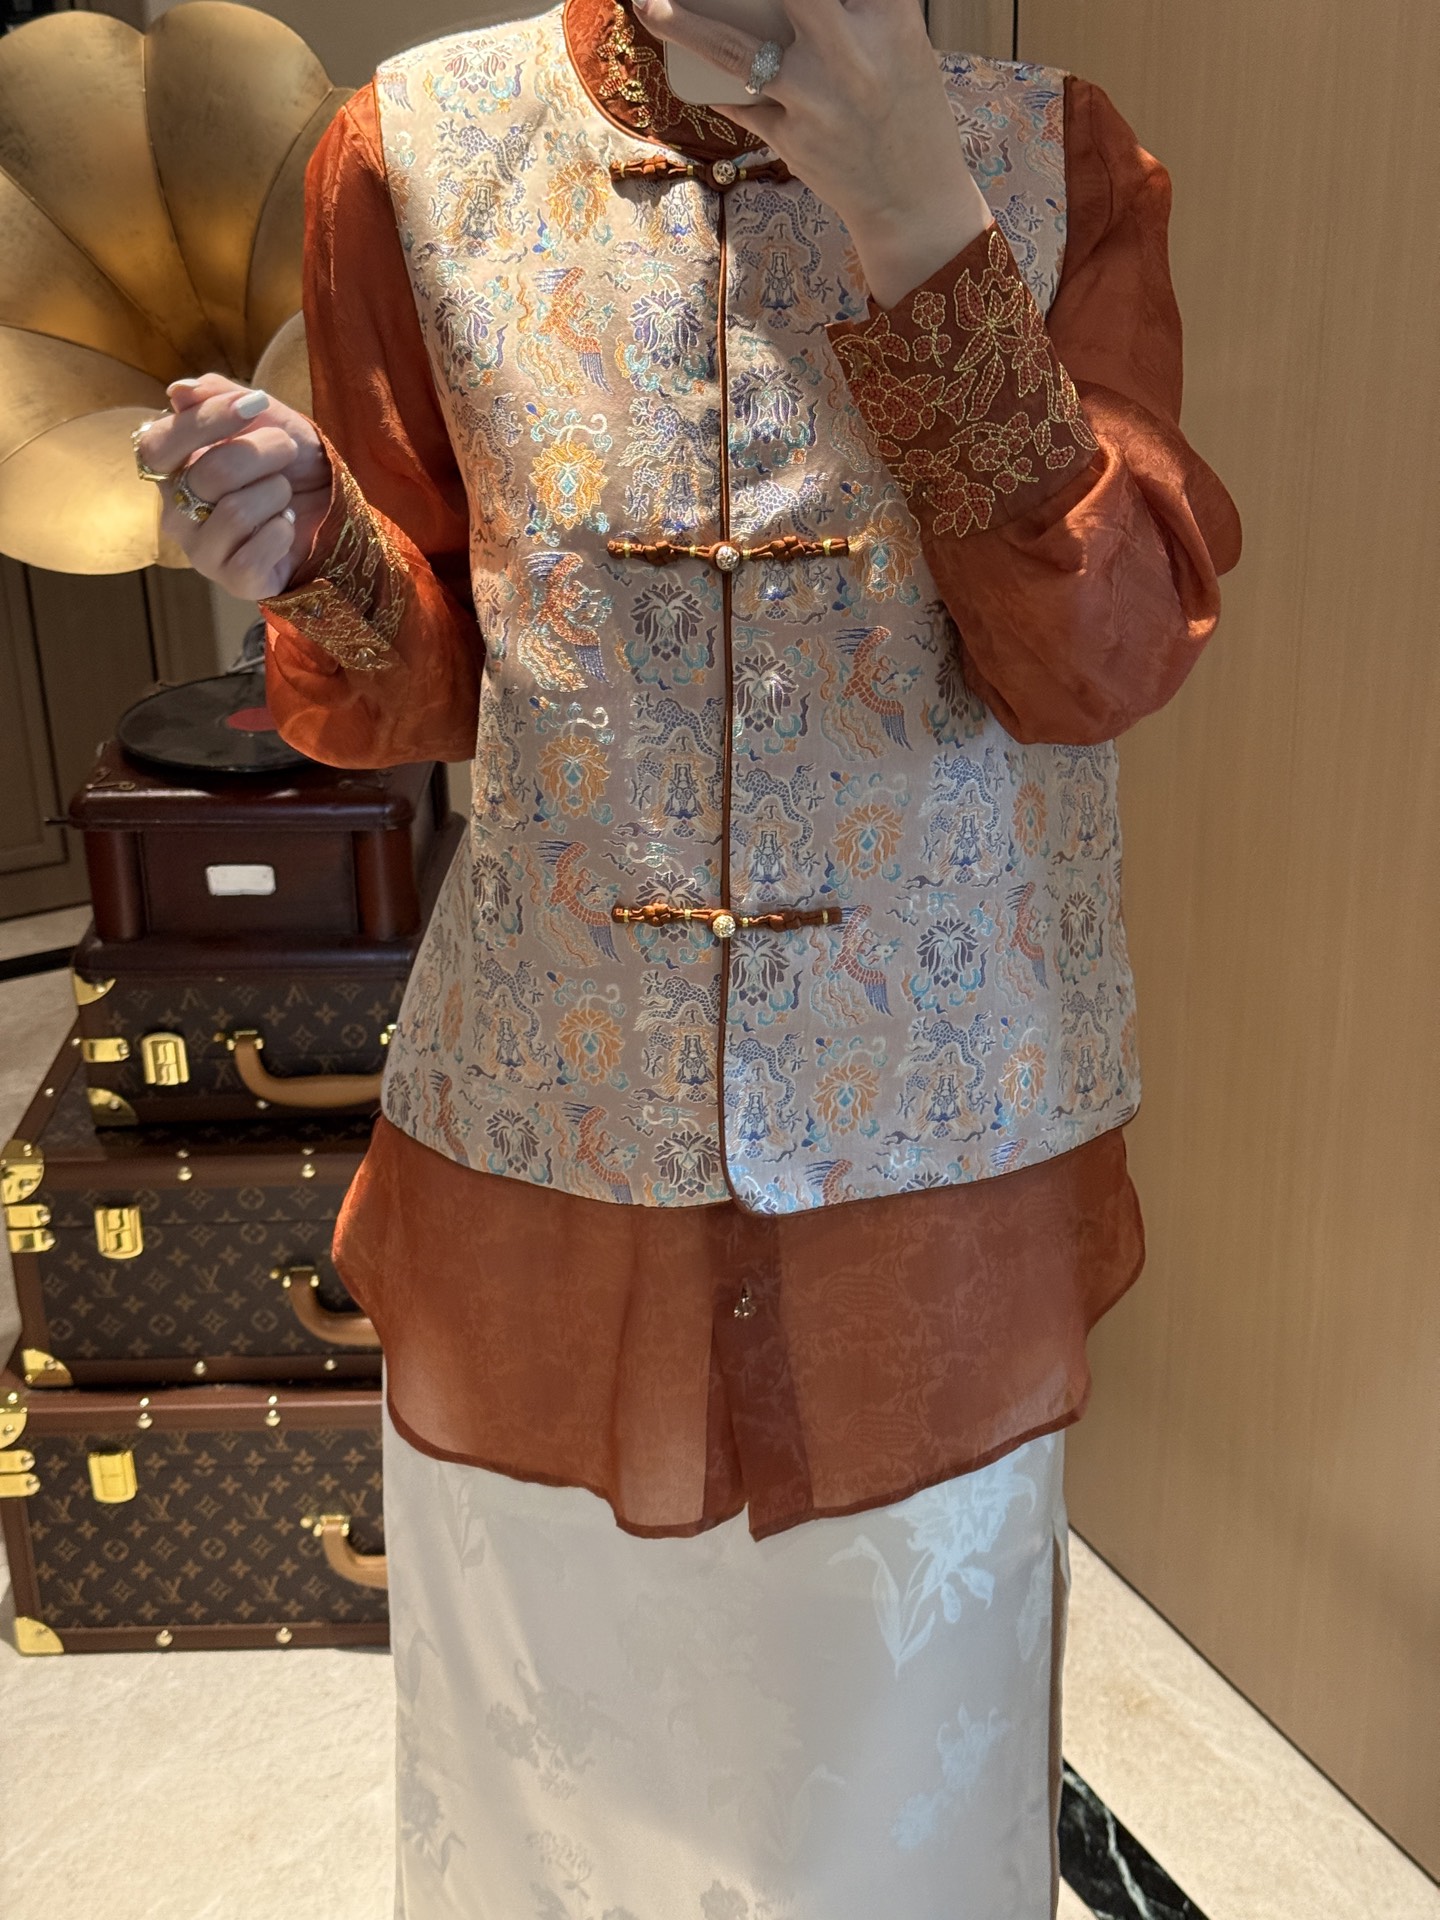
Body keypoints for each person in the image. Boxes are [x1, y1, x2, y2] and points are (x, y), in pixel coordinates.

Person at [139, 0, 1241, 1911]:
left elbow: (1104, 662)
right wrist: (317, 545)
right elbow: (436, 677)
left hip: (928, 1167)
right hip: (556, 1154)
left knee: (890, 1786)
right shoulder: (415, 154)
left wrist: (916, 210)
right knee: (563, 1785)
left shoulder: (1054, 161)